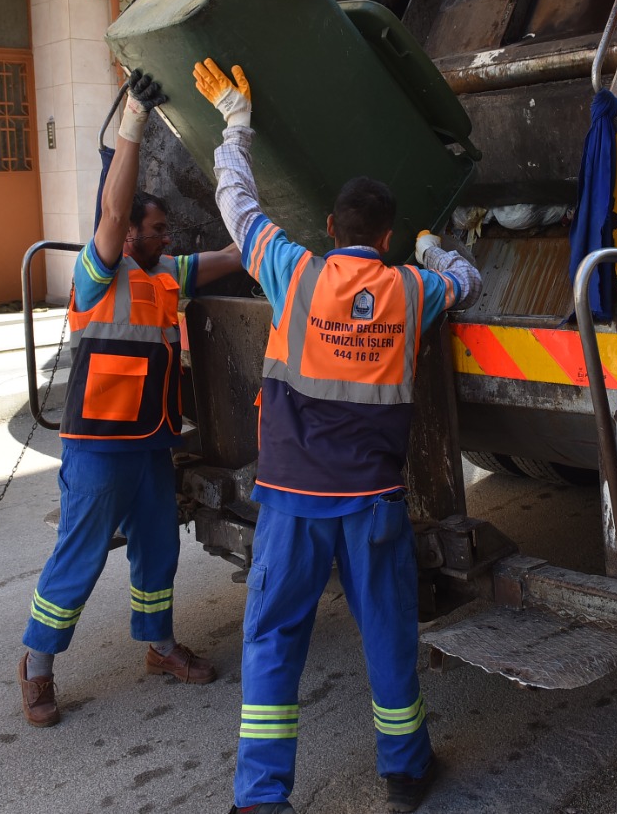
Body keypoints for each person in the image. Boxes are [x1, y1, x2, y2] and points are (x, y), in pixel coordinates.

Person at [195, 57, 481, 814]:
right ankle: (406, 770)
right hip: (372, 503)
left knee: (273, 640)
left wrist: (237, 125)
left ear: (330, 228)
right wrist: (429, 248)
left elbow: (238, 207)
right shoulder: (412, 290)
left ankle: (261, 798)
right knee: (387, 633)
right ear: (383, 237)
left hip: (291, 500)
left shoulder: (293, 270)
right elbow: (469, 279)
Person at [18, 70, 243, 728]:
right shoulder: (99, 273)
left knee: (157, 550)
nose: (168, 236)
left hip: (150, 443)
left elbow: (231, 255)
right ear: (131, 234)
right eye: (158, 227)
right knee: (79, 558)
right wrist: (135, 120)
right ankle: (36, 667)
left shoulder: (170, 275)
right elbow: (114, 212)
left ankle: (160, 645)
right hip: (96, 448)